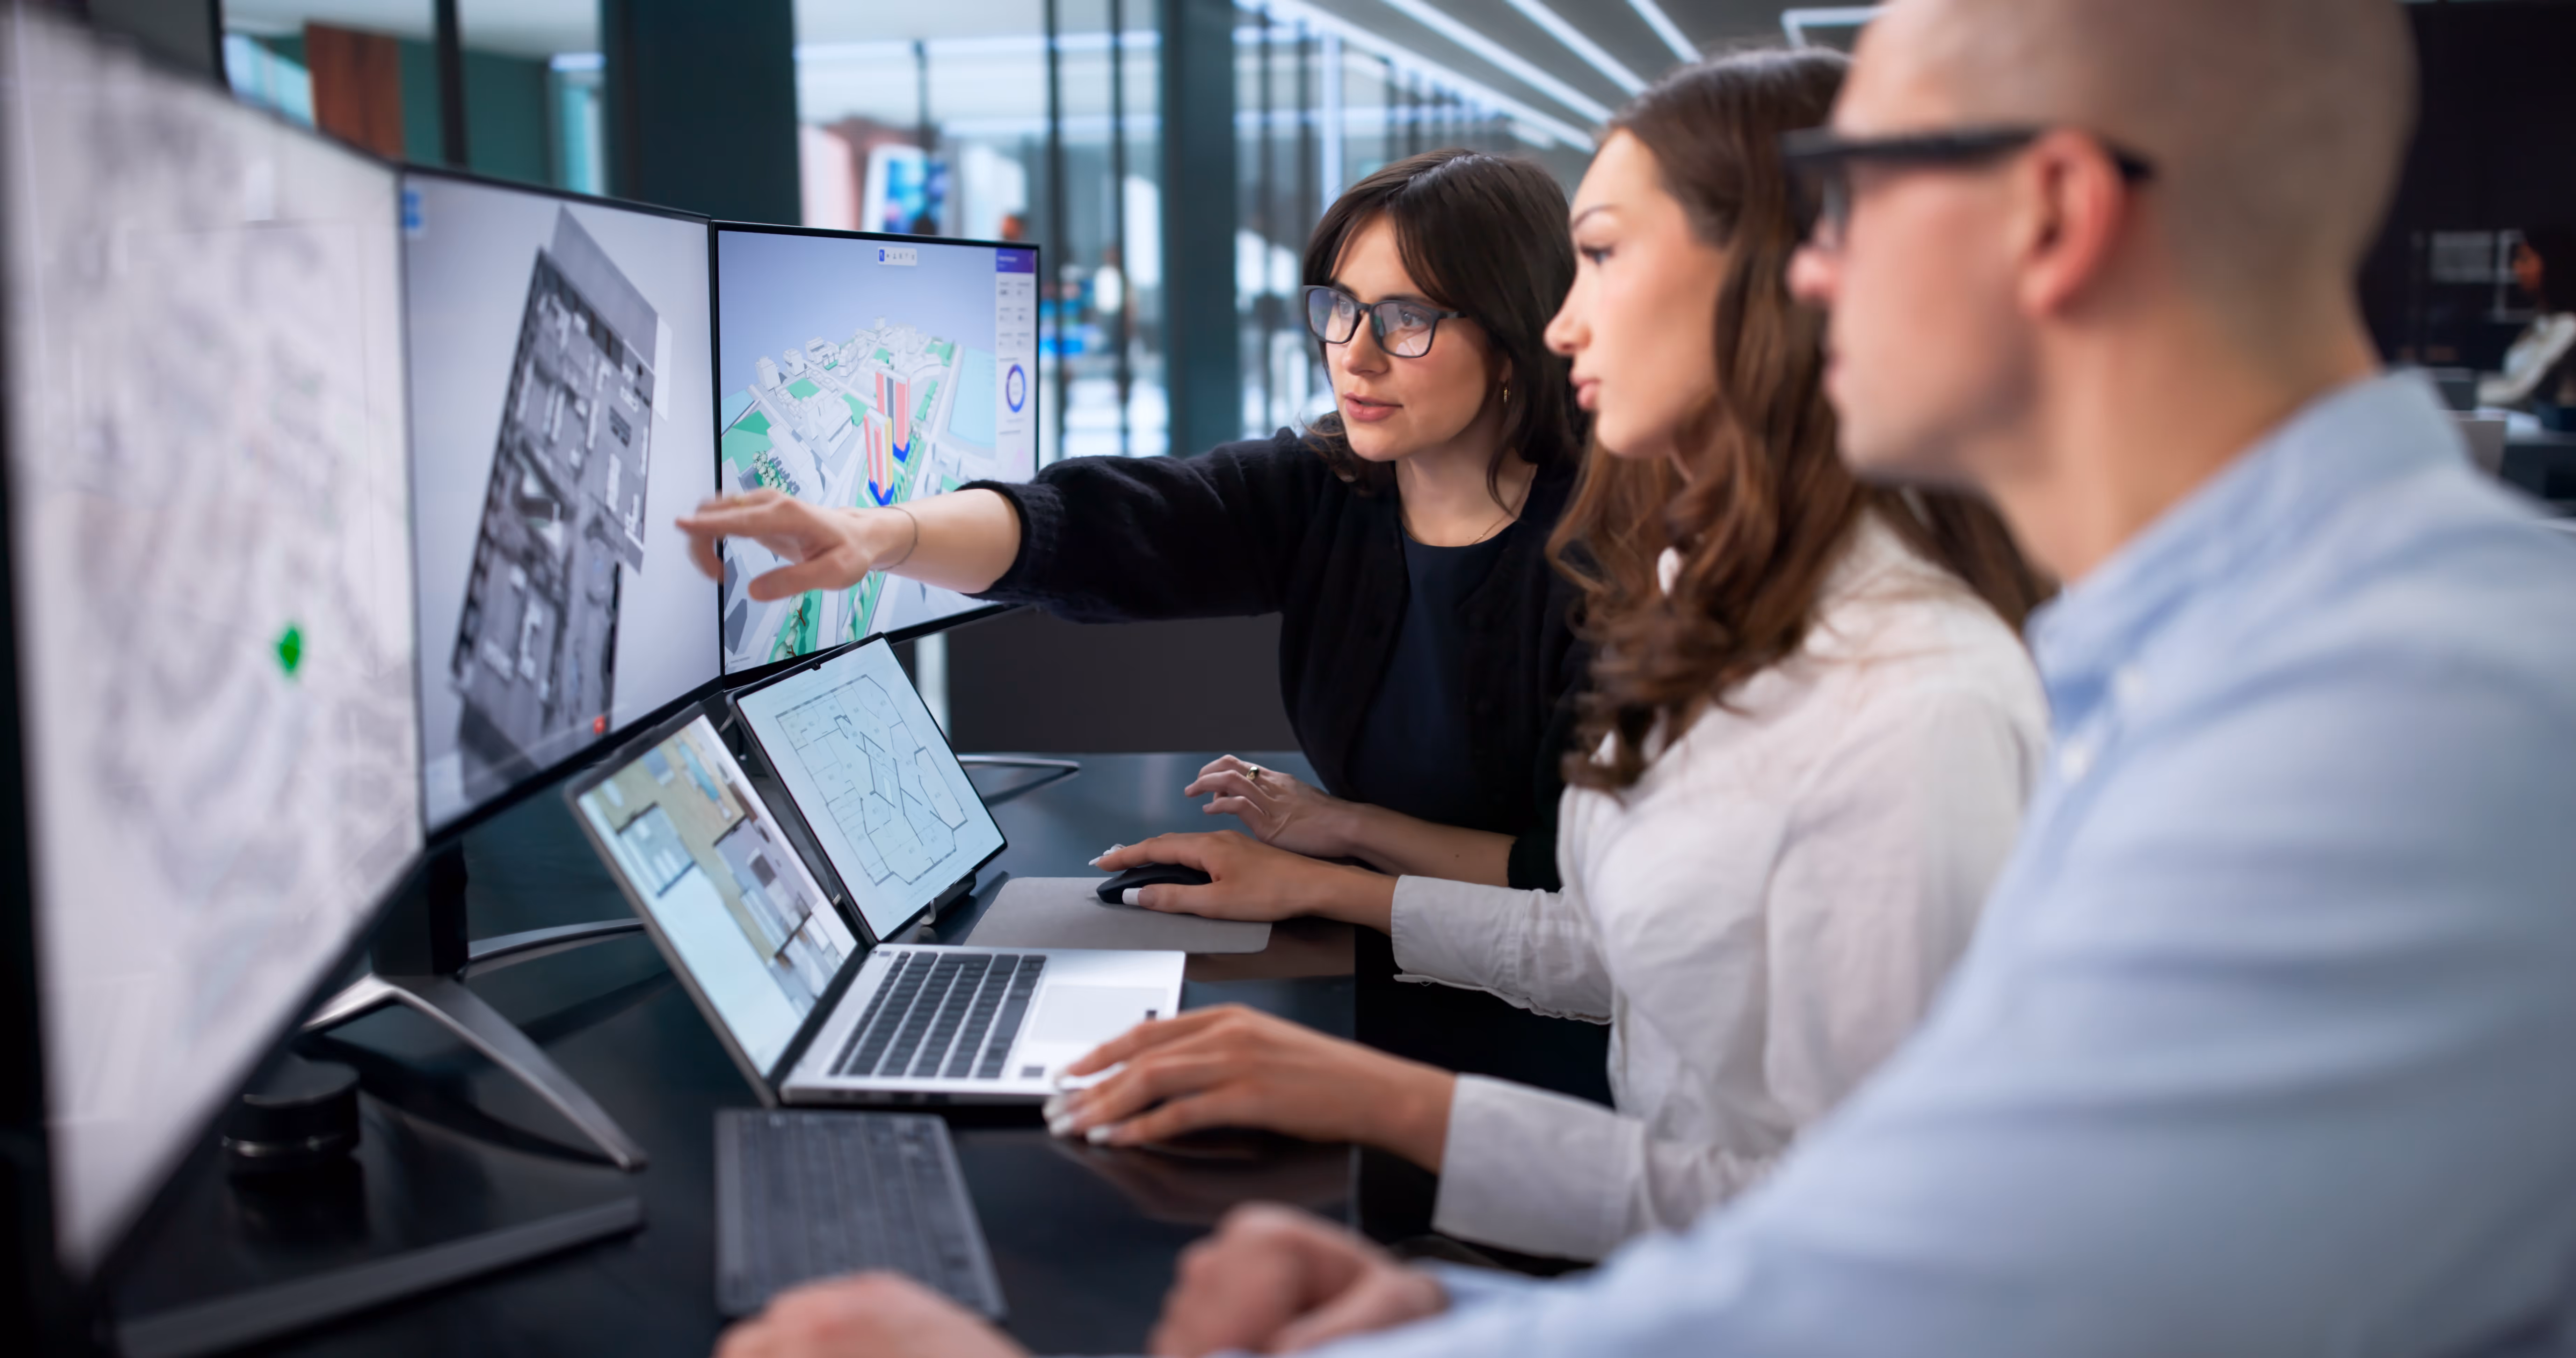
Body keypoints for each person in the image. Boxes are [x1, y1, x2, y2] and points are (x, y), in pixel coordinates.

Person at [712, 0, 2576, 1354]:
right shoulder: (2161, 659)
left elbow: (1892, 1296)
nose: (1805, 277)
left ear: (2047, 217)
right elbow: (1779, 1146)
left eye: (1841, 202)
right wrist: (1440, 1273)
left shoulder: (2373, 734)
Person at [1036, 49, 2050, 1268]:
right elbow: (1614, 946)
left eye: (1604, 257)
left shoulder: (1916, 705)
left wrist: (1390, 1115)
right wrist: (1319, 911)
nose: (1563, 324)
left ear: (1788, 282)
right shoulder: (1701, 591)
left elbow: (1868, 1237)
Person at [679, 149, 1615, 1107]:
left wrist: (1325, 860)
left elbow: (1565, 884)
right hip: (1393, 967)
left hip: (1545, 1033)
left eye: (1407, 319)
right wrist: (885, 534)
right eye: (1339, 307)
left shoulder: (1609, 562)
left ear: (1514, 337)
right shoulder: (1333, 487)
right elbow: (1105, 525)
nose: (1355, 354)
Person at [2477, 225, 2575, 416]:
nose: (2517, 268)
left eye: (2525, 259)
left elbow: (2520, 392)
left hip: (2547, 430)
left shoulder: (2568, 325)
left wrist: (2461, 394)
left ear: (2552, 265)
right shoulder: (2540, 322)